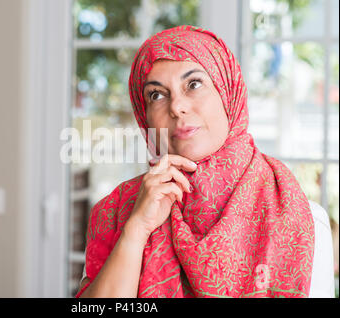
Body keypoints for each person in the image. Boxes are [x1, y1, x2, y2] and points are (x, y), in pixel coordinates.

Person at [75, 25, 321, 298]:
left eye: (193, 84)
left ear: (227, 91)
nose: (176, 106)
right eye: (156, 94)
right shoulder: (116, 210)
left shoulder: (290, 210)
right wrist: (135, 232)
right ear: (144, 117)